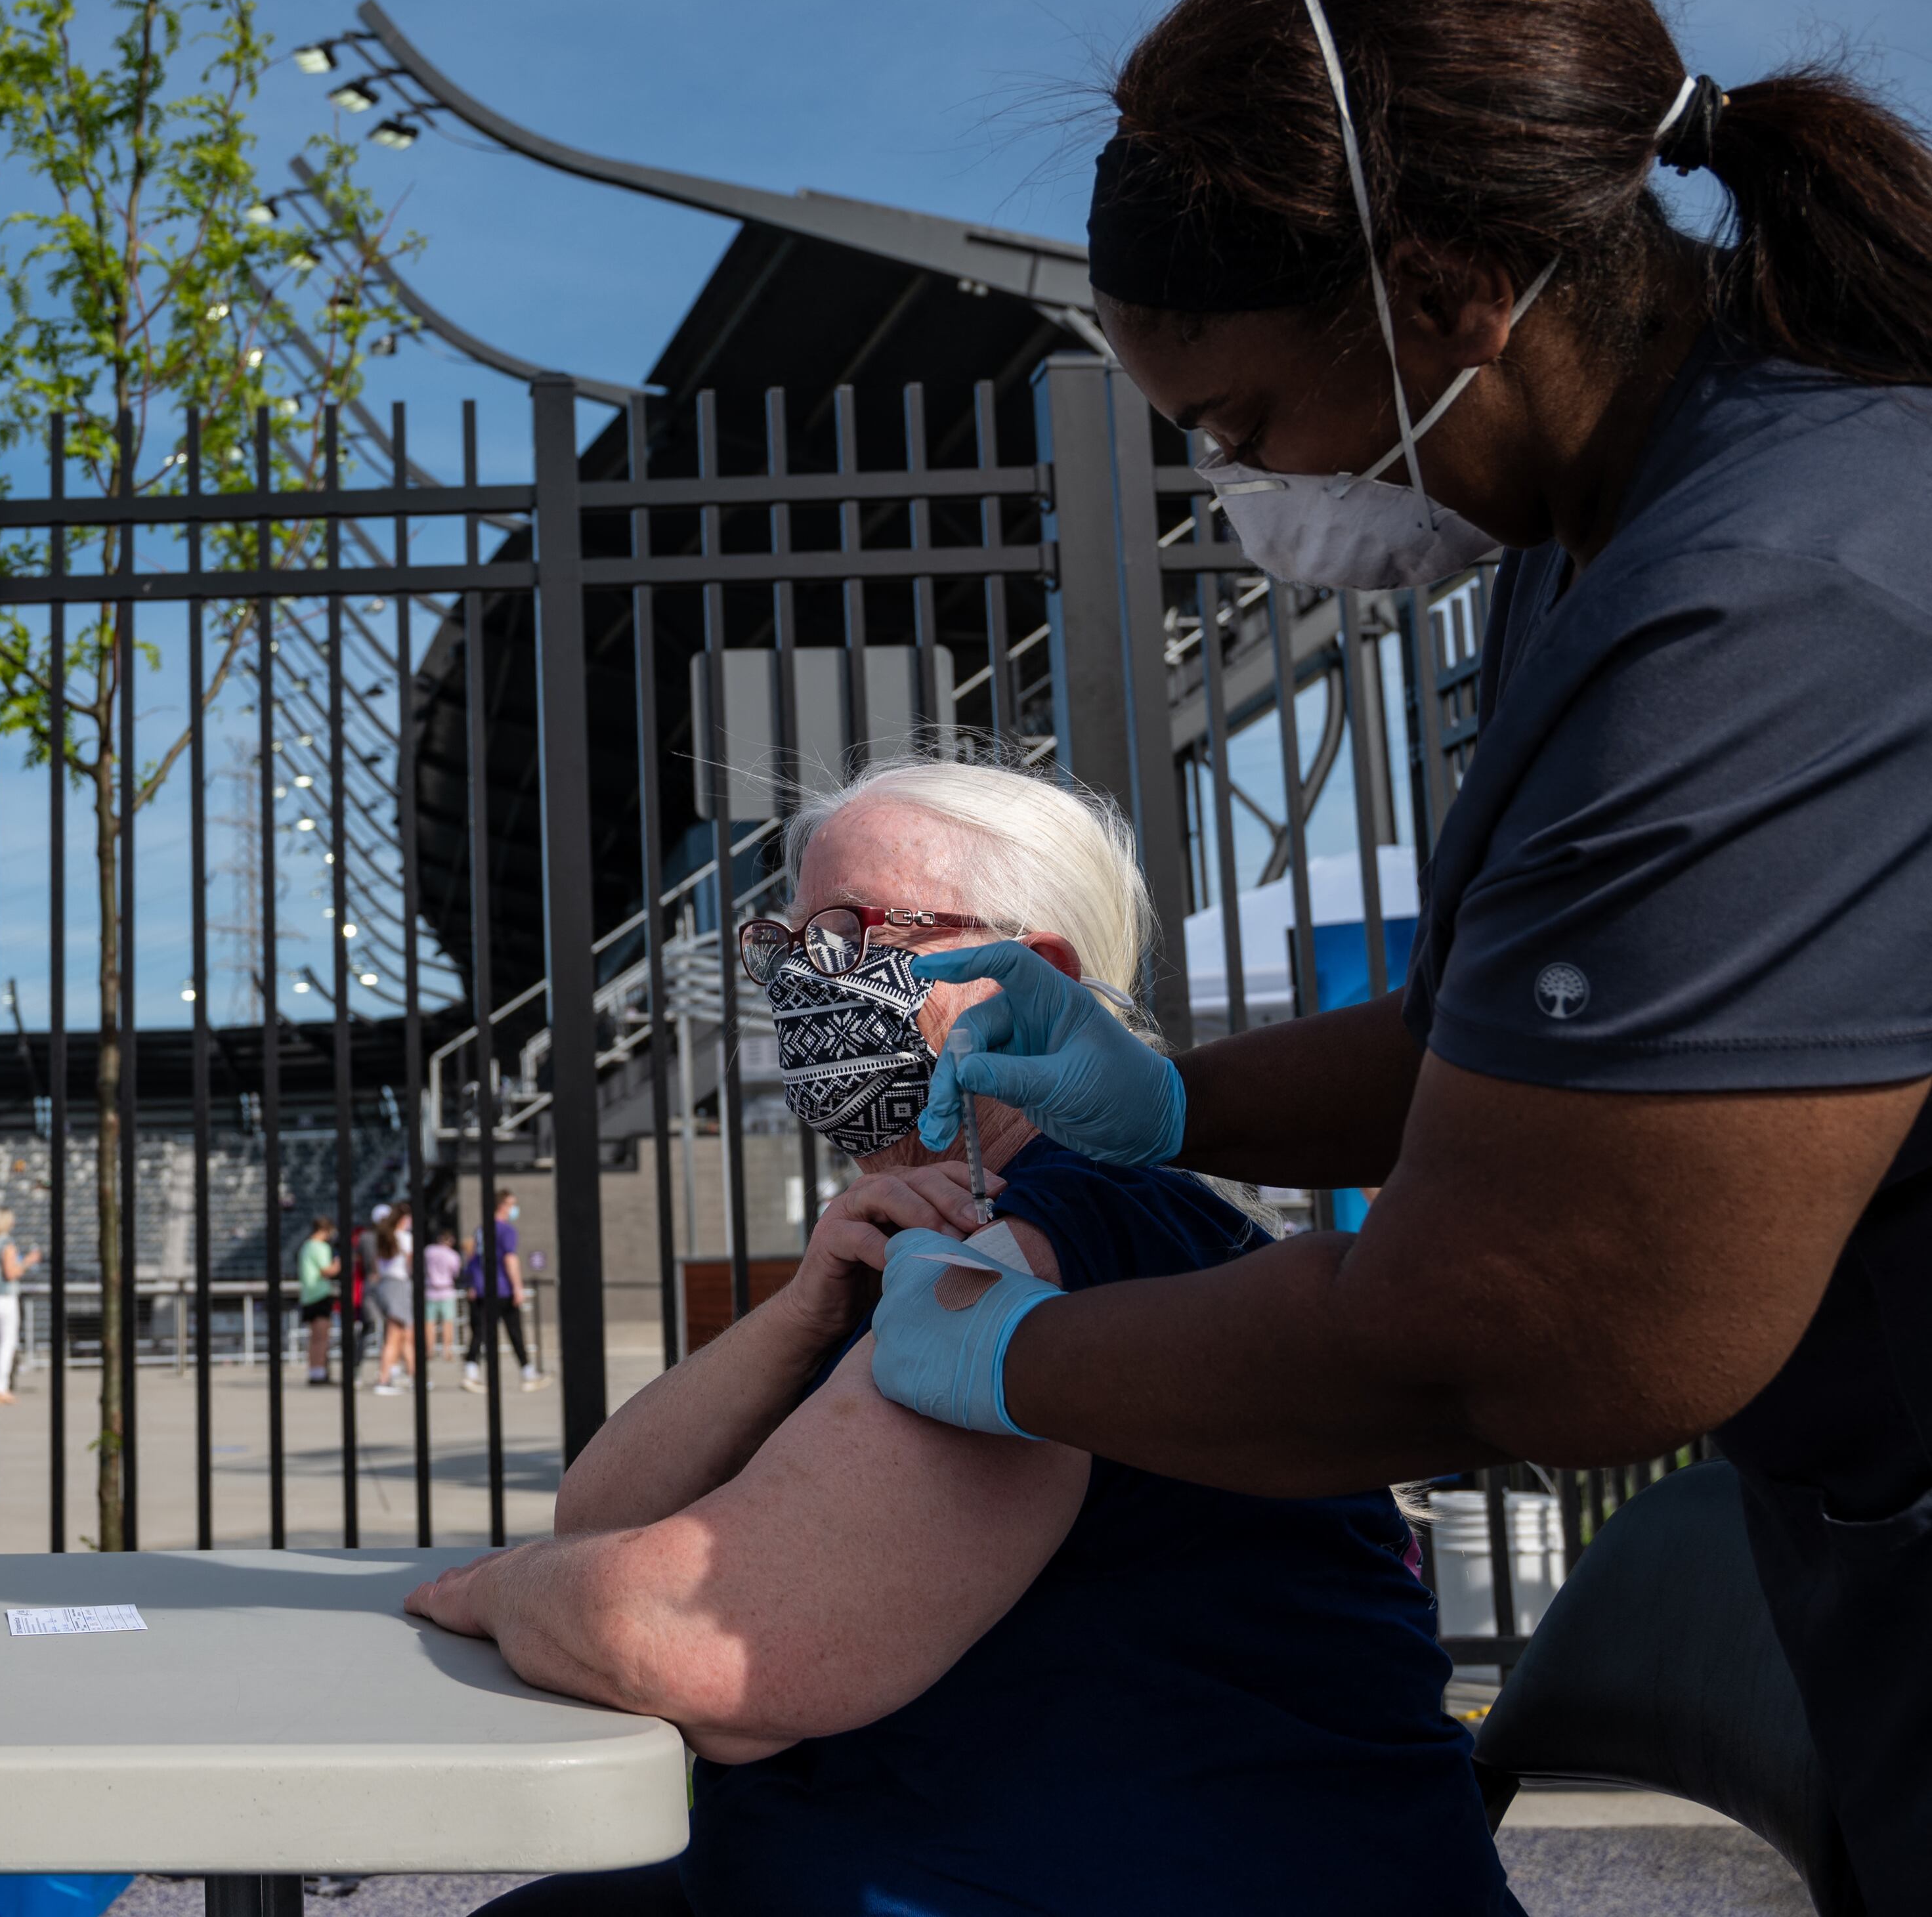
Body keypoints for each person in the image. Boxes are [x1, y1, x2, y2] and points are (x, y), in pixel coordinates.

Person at [873, 0, 1932, 1904]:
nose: (1254, 497)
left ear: (1447, 289)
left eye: (1248, 428)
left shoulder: (1771, 600)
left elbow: (1510, 1341)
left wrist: (1006, 1354)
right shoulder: (1595, 528)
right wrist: (1174, 1100)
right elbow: (1522, 1032)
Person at [407, 758, 1515, 1916]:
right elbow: (603, 1515)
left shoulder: (1048, 1236)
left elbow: (711, 1648)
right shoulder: (945, 1228)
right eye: (785, 942)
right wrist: (801, 1316)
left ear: (1029, 982)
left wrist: (499, 1589)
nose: (805, 977)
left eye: (855, 932)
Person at [465, 1188, 542, 1394]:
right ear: (502, 1206)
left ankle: (471, 1371)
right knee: (515, 1331)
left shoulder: (481, 1230)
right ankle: (528, 1373)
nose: (514, 1209)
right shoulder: (506, 1230)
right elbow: (510, 1259)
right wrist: (518, 1287)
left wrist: (473, 1284)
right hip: (502, 1288)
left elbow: (473, 1260)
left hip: (483, 1288)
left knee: (480, 1331)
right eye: (511, 1204)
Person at [0, 1207, 40, 1404]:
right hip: (4, 1297)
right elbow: (11, 1273)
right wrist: (28, 1262)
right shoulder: (6, 1244)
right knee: (7, 1343)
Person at [368, 1201, 414, 1396]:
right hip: (399, 1285)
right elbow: (411, 1264)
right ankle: (384, 1379)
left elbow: (377, 1266)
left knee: (403, 1334)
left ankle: (413, 1375)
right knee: (396, 1335)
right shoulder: (404, 1238)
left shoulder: (385, 1238)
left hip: (387, 1285)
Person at [296, 1216, 339, 1385]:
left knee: (314, 1338)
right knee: (322, 1338)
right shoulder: (320, 1247)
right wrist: (339, 1264)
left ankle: (315, 1371)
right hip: (320, 1294)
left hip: (308, 1295)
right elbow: (327, 1270)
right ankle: (319, 1373)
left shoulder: (306, 1246)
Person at [422, 1228, 463, 1366]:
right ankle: (447, 1351)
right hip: (446, 1290)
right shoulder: (453, 1256)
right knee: (448, 1323)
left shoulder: (429, 1251)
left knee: (430, 1323)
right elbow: (456, 1273)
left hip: (430, 1290)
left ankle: (430, 1350)